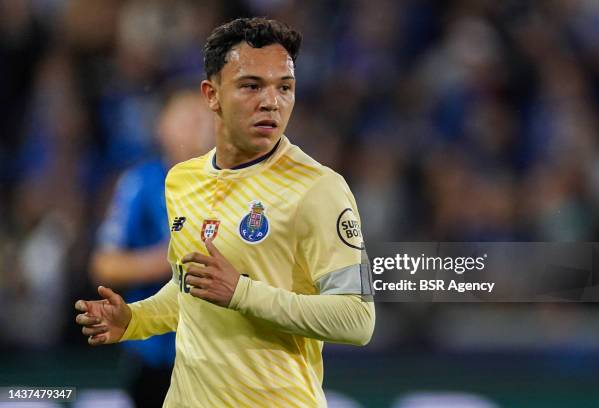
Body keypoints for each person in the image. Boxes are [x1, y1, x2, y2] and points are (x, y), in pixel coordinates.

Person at [75, 17, 375, 407]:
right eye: (252, 85)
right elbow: (190, 291)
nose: (272, 101)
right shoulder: (181, 181)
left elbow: (356, 319)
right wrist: (134, 320)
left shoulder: (319, 189)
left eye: (285, 87)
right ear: (211, 95)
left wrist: (242, 292)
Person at [90, 89, 214, 407]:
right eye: (186, 117)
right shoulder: (141, 183)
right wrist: (164, 261)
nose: (197, 126)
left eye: (205, 117)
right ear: (162, 126)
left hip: (217, 355)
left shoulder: (235, 184)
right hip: (154, 356)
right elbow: (103, 265)